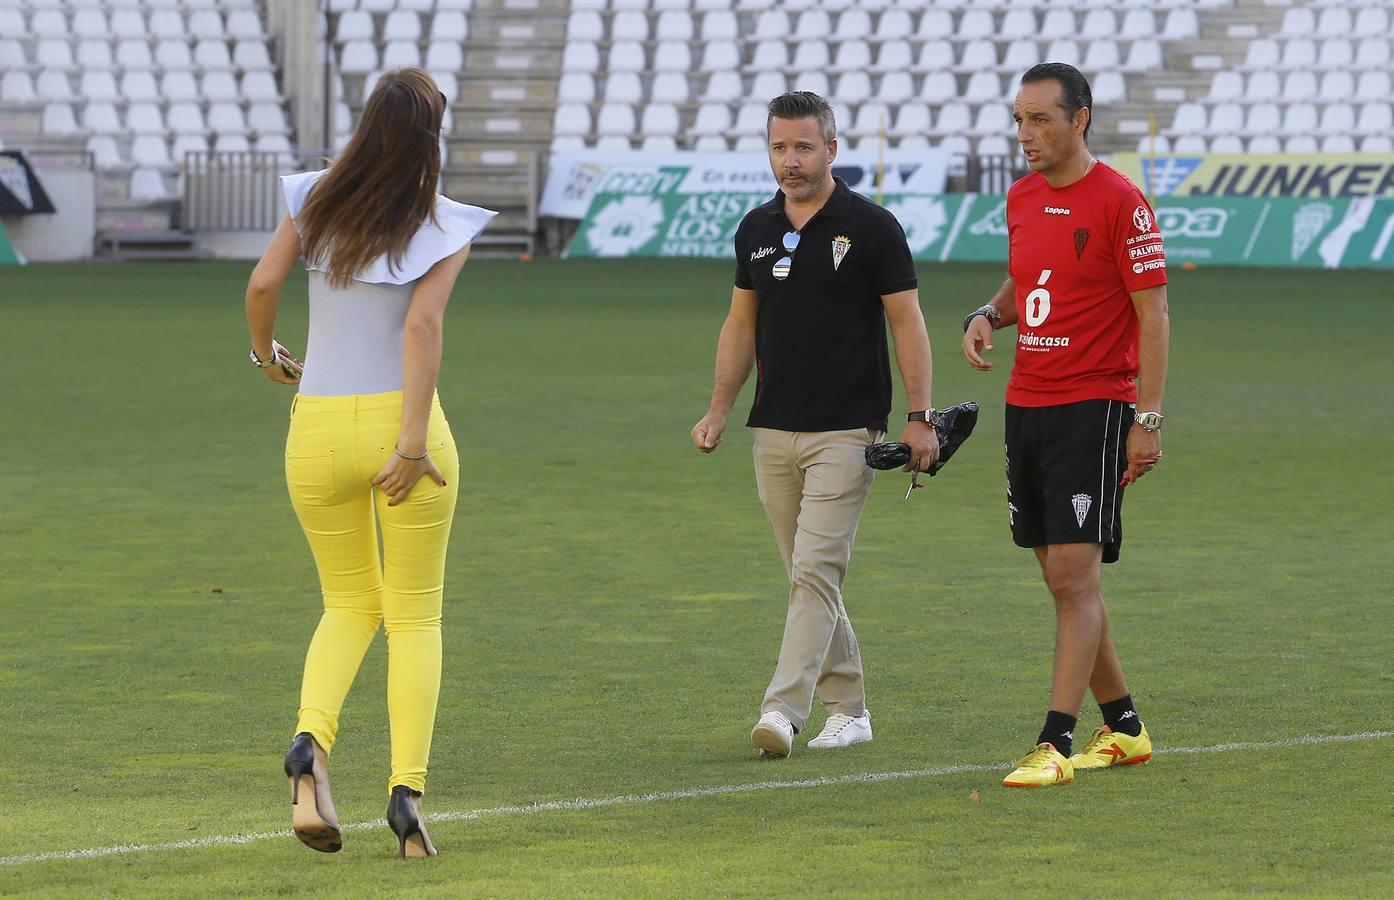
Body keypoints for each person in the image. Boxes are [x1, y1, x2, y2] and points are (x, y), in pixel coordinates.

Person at [244, 68, 496, 853]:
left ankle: (310, 747)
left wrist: (268, 358)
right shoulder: (442, 220)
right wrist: (412, 444)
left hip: (314, 426)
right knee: (415, 614)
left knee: (347, 604)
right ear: (432, 135)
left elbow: (262, 284)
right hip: (402, 426)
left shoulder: (313, 196)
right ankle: (407, 796)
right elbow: (421, 330)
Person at [691, 91, 940, 758]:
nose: (790, 160)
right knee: (809, 576)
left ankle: (781, 710)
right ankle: (850, 708)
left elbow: (906, 323)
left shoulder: (873, 226)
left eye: (803, 147)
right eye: (779, 147)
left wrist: (920, 418)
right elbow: (740, 325)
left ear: (832, 148)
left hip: (847, 430)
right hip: (770, 429)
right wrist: (719, 408)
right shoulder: (756, 228)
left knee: (816, 570)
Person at [960, 63, 1169, 788]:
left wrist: (1146, 418)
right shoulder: (1020, 197)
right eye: (1019, 120)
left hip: (1095, 406)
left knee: (1075, 578)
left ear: (1079, 120)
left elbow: (1154, 316)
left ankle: (1055, 741)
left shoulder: (1121, 201)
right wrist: (990, 314)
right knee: (1059, 577)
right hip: (1028, 405)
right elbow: (1031, 280)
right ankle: (1128, 729)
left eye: (1040, 119)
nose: (1025, 135)